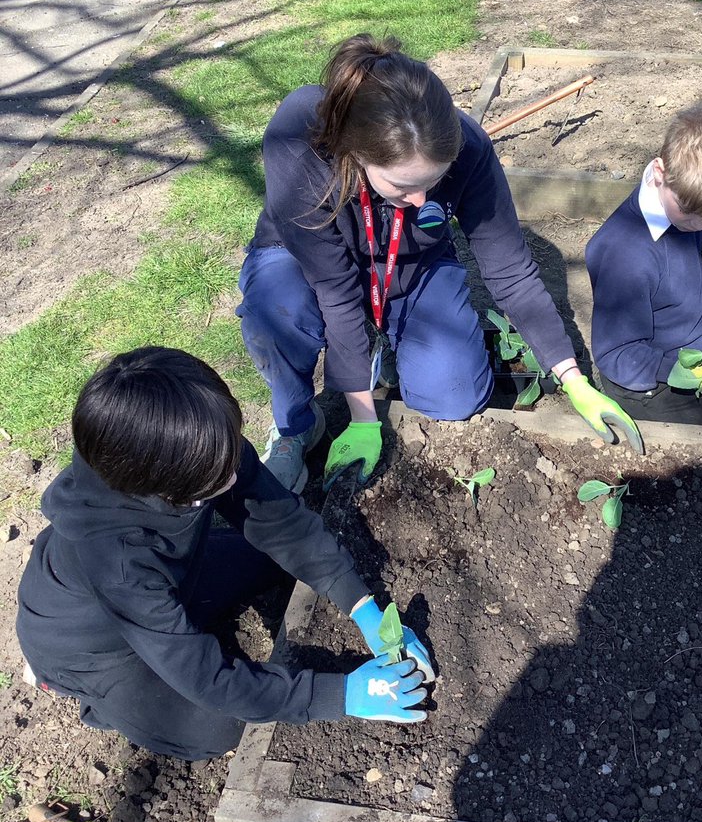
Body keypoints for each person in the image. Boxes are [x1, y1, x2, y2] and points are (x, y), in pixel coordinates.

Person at [237, 33, 643, 494]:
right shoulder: (299, 144)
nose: (421, 200)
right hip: (302, 261)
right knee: (277, 311)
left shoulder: (468, 147)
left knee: (453, 394)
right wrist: (364, 420)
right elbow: (336, 288)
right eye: (402, 186)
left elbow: (510, 270)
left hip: (409, 263)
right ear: (357, 153)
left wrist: (573, 379)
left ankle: (392, 352)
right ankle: (294, 426)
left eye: (434, 181)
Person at [16, 347, 435, 761]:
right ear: (162, 487)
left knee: (278, 562)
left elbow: (281, 523)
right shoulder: (119, 560)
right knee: (218, 727)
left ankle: (180, 618)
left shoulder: (192, 444)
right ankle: (86, 693)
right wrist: (340, 694)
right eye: (217, 477)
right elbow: (209, 680)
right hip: (95, 647)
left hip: (166, 582)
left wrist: (363, 607)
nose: (235, 475)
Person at [585, 104, 702, 425]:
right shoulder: (625, 252)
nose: (701, 224)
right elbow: (617, 354)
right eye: (689, 212)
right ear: (660, 174)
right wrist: (692, 374)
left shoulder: (700, 202)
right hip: (649, 382)